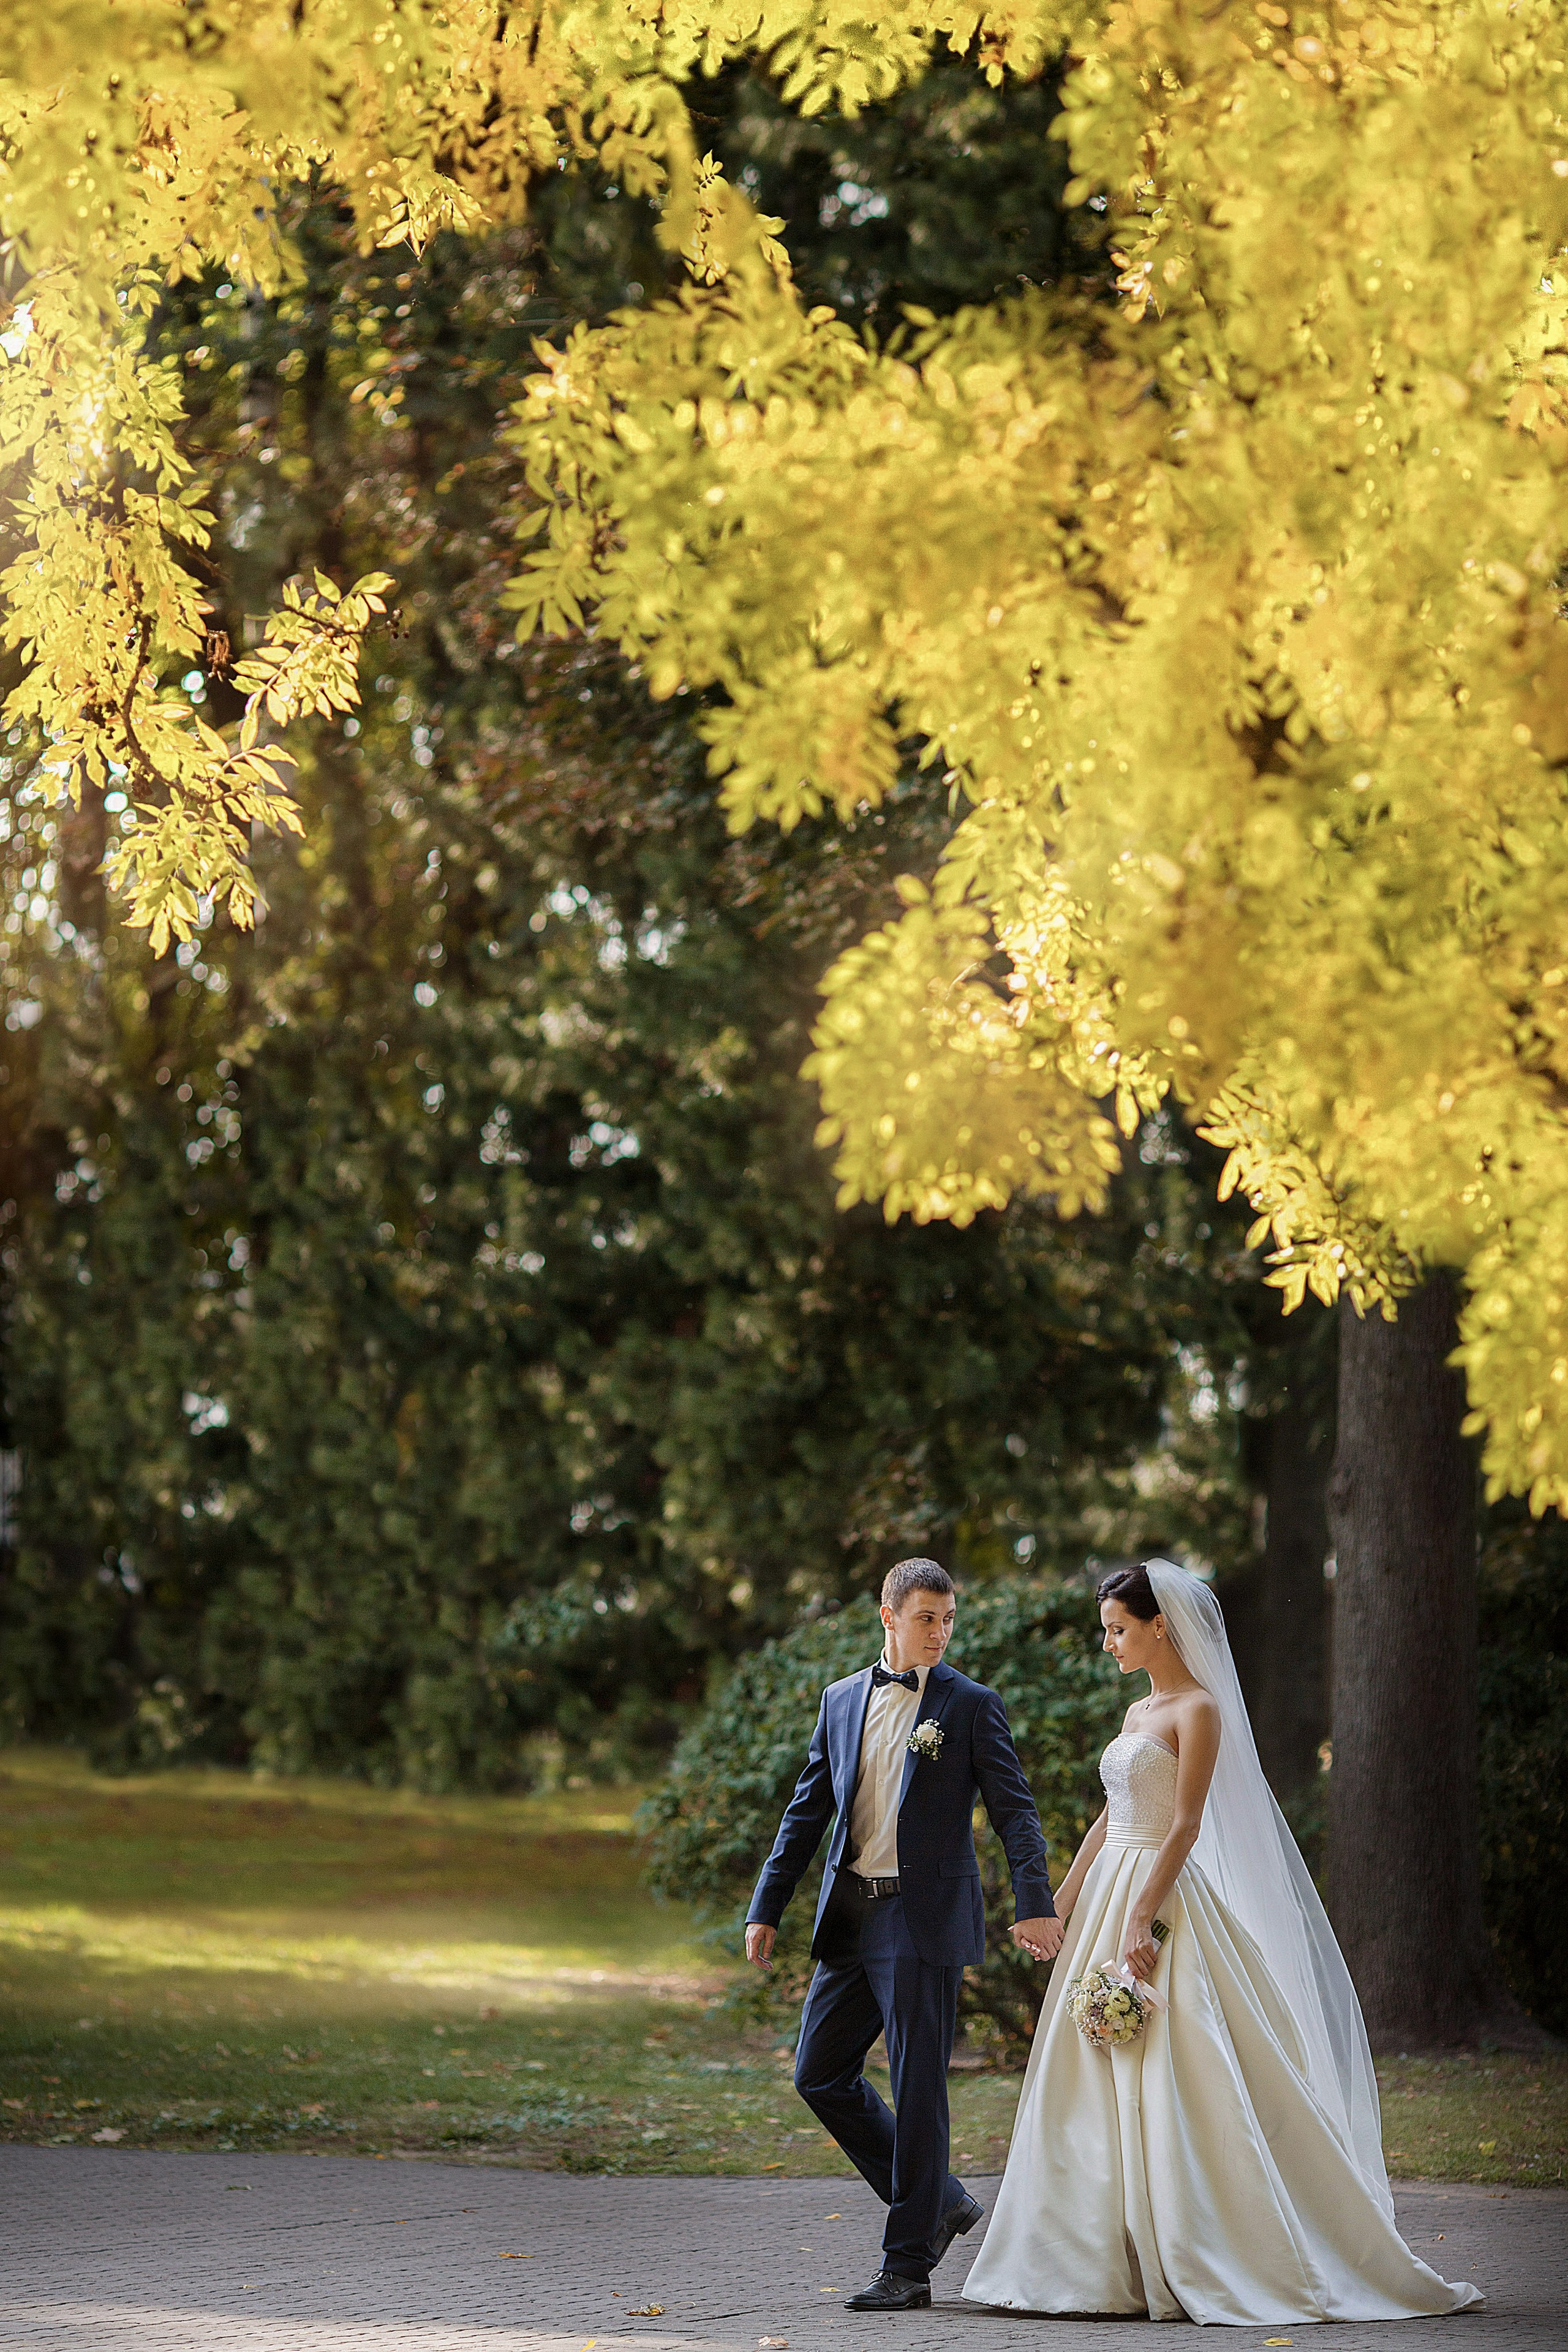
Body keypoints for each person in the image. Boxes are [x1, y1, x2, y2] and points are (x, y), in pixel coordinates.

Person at [963, 1558, 1484, 2326]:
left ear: (1158, 1624)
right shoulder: (1140, 1712)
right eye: (1106, 1630)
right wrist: (1060, 1897)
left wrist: (1141, 1918)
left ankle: (1201, 2239)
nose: (1107, 1644)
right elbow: (1113, 1816)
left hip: (1159, 1892)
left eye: (1116, 1629)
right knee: (1087, 2071)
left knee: (1180, 2059)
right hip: (1112, 1882)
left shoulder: (1197, 1709)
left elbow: (1184, 1824)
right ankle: (1084, 2256)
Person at [745, 1557, 1061, 2312]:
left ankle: (908, 2266)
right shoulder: (840, 1700)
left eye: (948, 1619)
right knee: (818, 2072)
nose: (940, 1633)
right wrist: (768, 1903)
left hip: (922, 1920)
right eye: (926, 1618)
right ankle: (941, 2201)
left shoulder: (971, 1705)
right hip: (851, 1912)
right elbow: (806, 1810)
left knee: (918, 2087)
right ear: (887, 1616)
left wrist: (1034, 1900)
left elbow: (1015, 1813)